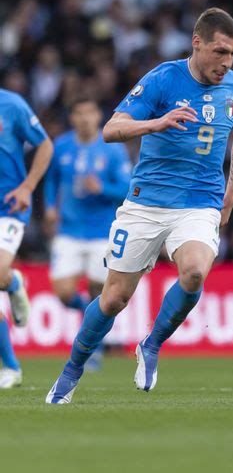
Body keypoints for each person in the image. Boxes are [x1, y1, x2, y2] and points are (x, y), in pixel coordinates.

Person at [46, 7, 233, 404]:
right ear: (197, 43)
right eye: (219, 52)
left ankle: (152, 344)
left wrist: (230, 197)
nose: (226, 63)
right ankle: (70, 373)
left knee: (194, 273)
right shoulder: (163, 79)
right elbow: (111, 129)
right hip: (145, 204)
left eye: (232, 54)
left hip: (200, 203)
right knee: (113, 299)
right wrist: (154, 124)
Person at [44, 98, 131, 369]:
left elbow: (126, 189)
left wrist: (102, 188)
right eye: (78, 113)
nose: (84, 118)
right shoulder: (61, 145)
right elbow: (51, 179)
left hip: (102, 232)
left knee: (99, 292)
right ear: (72, 118)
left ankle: (93, 347)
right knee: (63, 292)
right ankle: (90, 324)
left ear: (98, 116)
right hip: (69, 230)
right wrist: (49, 207)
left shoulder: (113, 149)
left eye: (89, 112)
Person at [0, 88, 53, 388]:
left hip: (9, 205)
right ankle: (13, 282)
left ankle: (10, 367)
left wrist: (27, 187)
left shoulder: (11, 104)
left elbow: (44, 145)